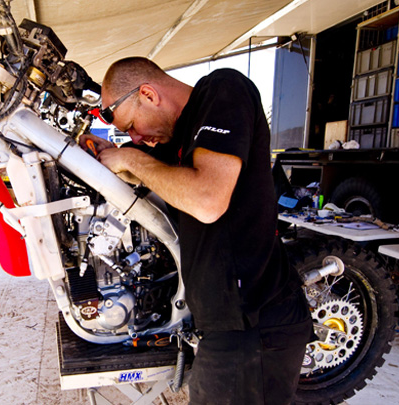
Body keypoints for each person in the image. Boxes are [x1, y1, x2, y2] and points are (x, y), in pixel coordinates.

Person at [81, 57, 313, 404]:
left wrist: (130, 159)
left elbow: (207, 199)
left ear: (147, 93)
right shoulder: (181, 138)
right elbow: (156, 174)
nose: (136, 136)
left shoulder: (223, 90)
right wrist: (117, 157)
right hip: (229, 324)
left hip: (253, 324)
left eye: (131, 125)